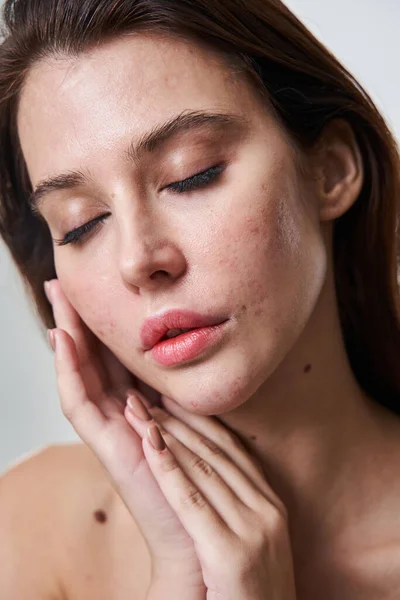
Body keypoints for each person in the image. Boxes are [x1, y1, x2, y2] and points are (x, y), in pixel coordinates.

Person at [0, 0, 399, 598]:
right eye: (81, 224)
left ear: (332, 171)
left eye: (192, 175)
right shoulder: (26, 532)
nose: (139, 261)